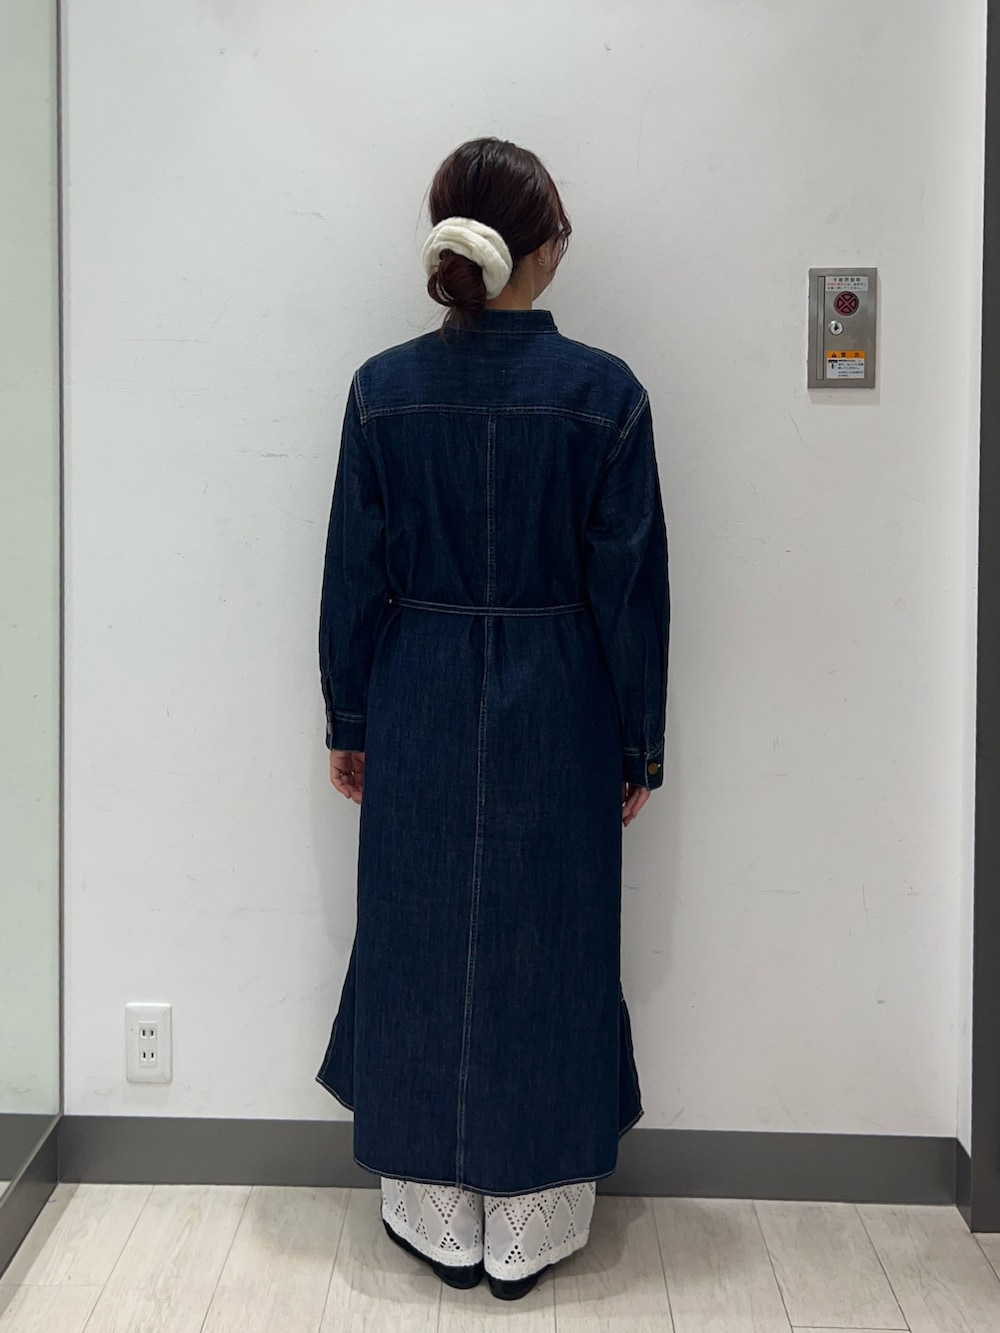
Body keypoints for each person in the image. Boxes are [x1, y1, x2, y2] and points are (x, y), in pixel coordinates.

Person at [315, 137, 670, 1301]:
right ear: (543, 246)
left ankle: (433, 1214)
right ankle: (529, 1222)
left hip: (416, 688)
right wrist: (639, 740)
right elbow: (631, 590)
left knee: (418, 937)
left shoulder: (382, 390)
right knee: (551, 943)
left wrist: (349, 717)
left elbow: (351, 574)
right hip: (560, 699)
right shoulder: (604, 396)